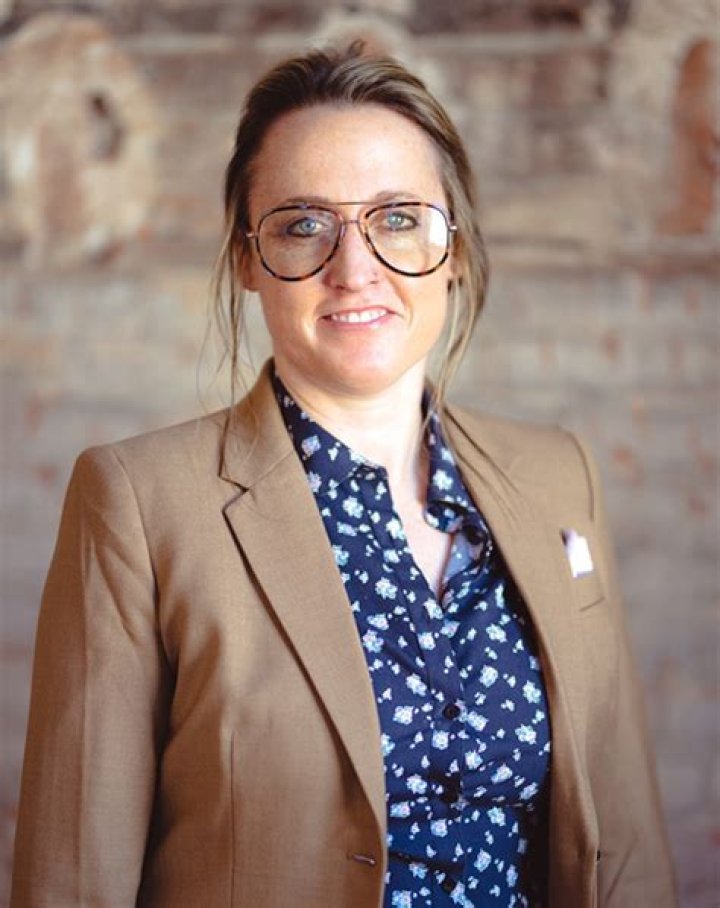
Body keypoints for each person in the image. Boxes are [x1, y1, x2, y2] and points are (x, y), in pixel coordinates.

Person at [11, 43, 677, 908]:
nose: (355, 269)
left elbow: (626, 851)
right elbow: (72, 883)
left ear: (456, 249)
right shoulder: (139, 504)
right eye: (303, 225)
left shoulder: (558, 477)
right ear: (248, 260)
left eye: (397, 218)